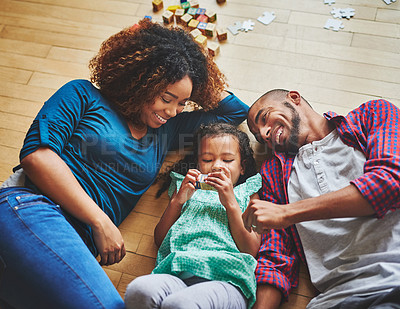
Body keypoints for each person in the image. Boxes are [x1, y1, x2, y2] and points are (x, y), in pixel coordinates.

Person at [0, 19, 249, 309]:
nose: (172, 111)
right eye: (166, 97)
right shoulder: (83, 95)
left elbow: (235, 112)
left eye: (182, 103)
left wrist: (191, 64)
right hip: (32, 208)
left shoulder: (166, 130)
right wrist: (100, 220)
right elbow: (36, 156)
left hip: (74, 244)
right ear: (142, 79)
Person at [244, 89, 400, 308]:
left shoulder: (371, 115)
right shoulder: (274, 174)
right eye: (260, 137)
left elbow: (389, 181)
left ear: (294, 98)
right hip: (335, 298)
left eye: (264, 117)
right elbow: (276, 256)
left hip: (394, 279)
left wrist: (288, 212)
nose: (265, 133)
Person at [124, 123, 281, 309]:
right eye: (207, 159)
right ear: (198, 163)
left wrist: (230, 202)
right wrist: (177, 201)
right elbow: (160, 240)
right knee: (139, 290)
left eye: (228, 160)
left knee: (180, 304)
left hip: (227, 280)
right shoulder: (185, 188)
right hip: (177, 273)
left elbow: (250, 249)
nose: (217, 166)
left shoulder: (246, 192)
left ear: (243, 167)